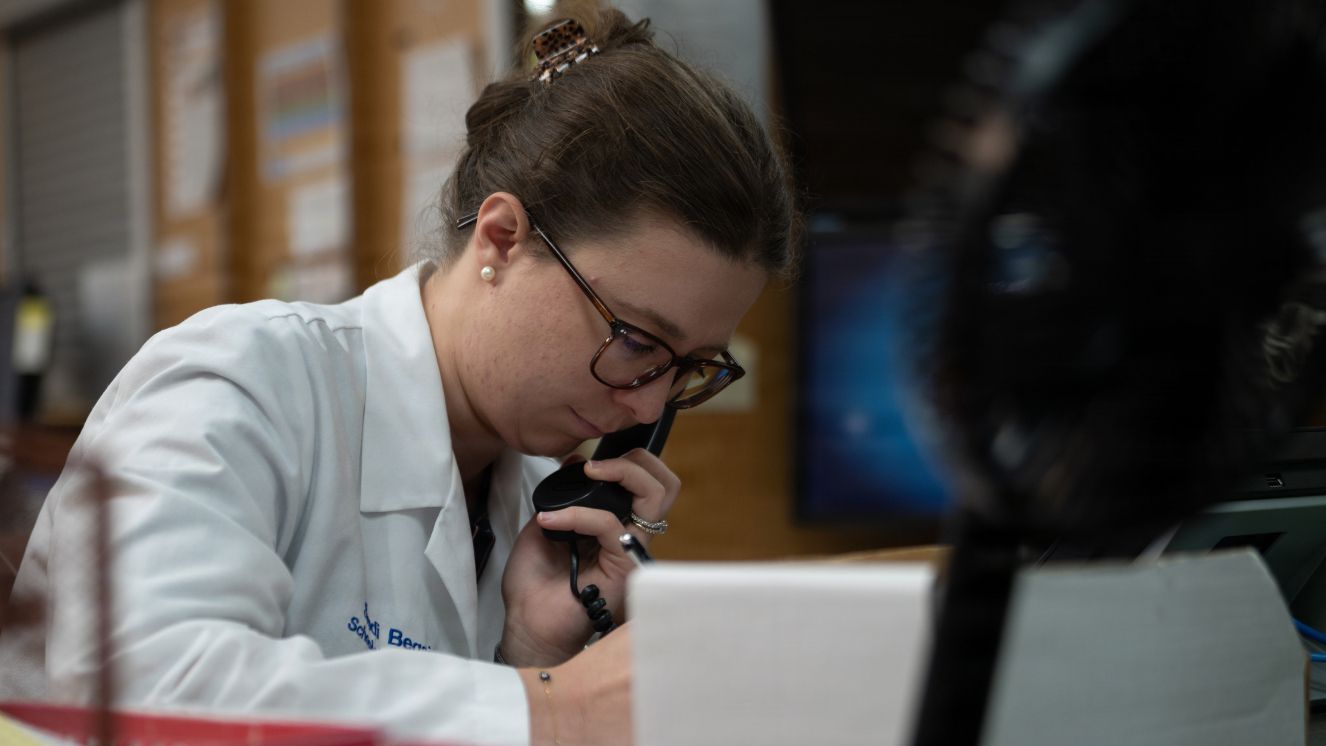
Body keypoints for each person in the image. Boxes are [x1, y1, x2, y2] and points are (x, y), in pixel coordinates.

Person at [0, 2, 798, 745]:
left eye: (689, 367)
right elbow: (143, 688)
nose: (649, 401)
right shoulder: (240, 381)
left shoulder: (539, 496)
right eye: (634, 340)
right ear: (501, 238)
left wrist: (530, 650)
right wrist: (551, 705)